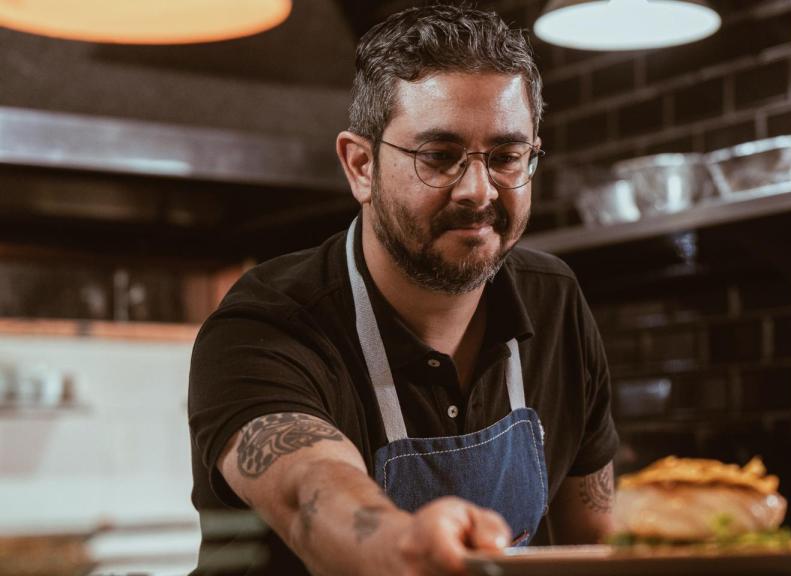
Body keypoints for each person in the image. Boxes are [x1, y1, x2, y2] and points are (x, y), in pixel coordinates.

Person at [187, 4, 618, 575]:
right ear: (361, 165)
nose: (478, 190)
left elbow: (595, 539)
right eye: (439, 157)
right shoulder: (264, 324)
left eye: (507, 157)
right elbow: (308, 488)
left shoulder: (555, 300)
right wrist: (404, 544)